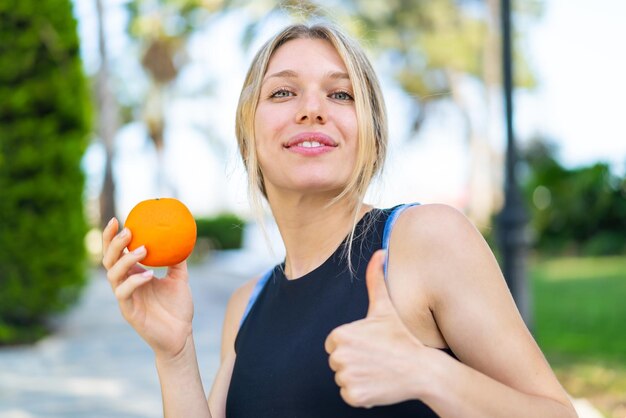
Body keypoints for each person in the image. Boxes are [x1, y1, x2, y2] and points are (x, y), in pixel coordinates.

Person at [101, 22, 578, 418]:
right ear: (249, 132)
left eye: (341, 95)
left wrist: (429, 374)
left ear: (369, 131)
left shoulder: (427, 239)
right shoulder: (245, 306)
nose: (312, 110)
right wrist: (175, 353)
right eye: (284, 92)